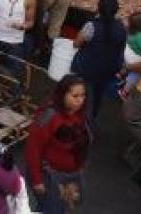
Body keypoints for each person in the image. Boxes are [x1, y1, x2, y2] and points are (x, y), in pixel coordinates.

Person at [25, 74, 92, 214]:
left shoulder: (80, 114)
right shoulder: (49, 116)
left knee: (61, 208)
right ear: (62, 94)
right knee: (50, 209)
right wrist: (37, 180)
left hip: (71, 175)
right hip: (49, 176)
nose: (80, 100)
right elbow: (33, 149)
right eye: (75, 96)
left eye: (83, 95)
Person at [71, 0, 126, 120]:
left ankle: (83, 125)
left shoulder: (91, 26)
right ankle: (92, 118)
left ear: (98, 8)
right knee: (97, 96)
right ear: (116, 10)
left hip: (88, 68)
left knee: (84, 96)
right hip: (108, 70)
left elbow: (76, 43)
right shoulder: (122, 27)